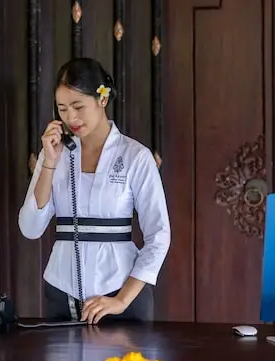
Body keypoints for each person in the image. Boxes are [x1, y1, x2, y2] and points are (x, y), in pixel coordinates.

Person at [18, 58, 172, 324]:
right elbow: (30, 229)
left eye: (79, 106)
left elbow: (159, 236)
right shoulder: (53, 154)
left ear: (102, 99)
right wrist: (49, 164)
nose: (71, 118)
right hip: (61, 292)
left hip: (120, 293)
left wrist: (121, 300)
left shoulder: (135, 156)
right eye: (62, 109)